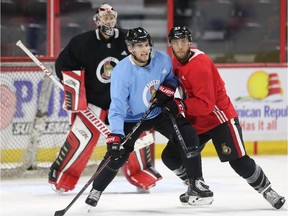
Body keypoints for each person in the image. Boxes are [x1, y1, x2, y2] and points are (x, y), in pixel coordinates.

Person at [85, 27, 214, 208]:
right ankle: (96, 190)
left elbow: (171, 79)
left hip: (158, 112)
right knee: (117, 154)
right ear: (130, 49)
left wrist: (168, 88)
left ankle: (195, 182)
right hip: (132, 119)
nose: (144, 50)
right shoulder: (122, 71)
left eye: (146, 45)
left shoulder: (162, 60)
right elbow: (117, 106)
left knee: (188, 133)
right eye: (139, 46)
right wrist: (116, 134)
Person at [163, 26, 286, 209]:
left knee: (238, 162)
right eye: (175, 42)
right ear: (171, 44)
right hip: (198, 119)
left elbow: (206, 105)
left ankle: (267, 190)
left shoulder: (200, 65)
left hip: (219, 119)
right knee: (170, 156)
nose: (179, 46)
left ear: (190, 43)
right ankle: (194, 185)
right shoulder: (176, 61)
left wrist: (180, 105)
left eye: (183, 42)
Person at [48, 3, 161, 193]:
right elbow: (64, 65)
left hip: (127, 105)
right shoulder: (81, 42)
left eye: (111, 16)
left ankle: (142, 175)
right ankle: (63, 179)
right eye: (105, 17)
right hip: (94, 102)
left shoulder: (128, 40)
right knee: (81, 138)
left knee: (139, 138)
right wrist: (74, 89)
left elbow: (146, 62)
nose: (109, 20)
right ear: (97, 20)